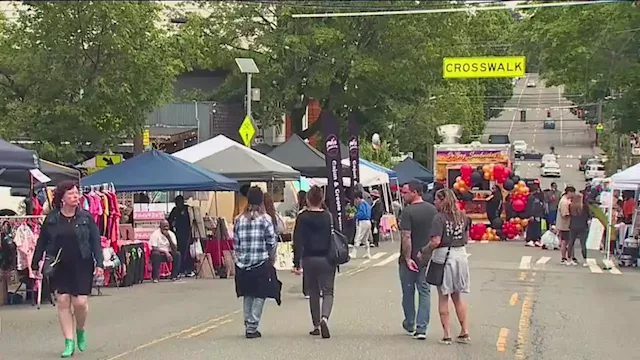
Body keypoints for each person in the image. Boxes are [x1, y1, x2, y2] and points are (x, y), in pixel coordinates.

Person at [32, 181, 104, 358]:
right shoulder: (52, 219)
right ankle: (69, 342)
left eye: (76, 193)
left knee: (80, 303)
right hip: (59, 264)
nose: (76, 196)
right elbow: (42, 242)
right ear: (62, 198)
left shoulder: (86, 217)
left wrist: (100, 264)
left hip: (82, 263)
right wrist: (35, 264)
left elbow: (95, 241)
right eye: (71, 194)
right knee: (63, 301)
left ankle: (80, 329)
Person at [233, 186, 280, 339]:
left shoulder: (238, 219)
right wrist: (271, 257)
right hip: (260, 262)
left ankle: (248, 323)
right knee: (260, 294)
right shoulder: (265, 219)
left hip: (243, 263)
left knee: (248, 293)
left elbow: (236, 243)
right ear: (261, 201)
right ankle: (253, 325)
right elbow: (271, 242)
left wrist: (240, 257)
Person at [427, 188, 471, 345]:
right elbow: (466, 239)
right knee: (457, 296)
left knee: (443, 296)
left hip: (444, 256)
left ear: (442, 200)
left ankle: (446, 334)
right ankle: (464, 331)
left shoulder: (439, 218)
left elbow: (436, 241)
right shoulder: (463, 217)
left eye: (436, 199)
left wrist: (424, 251)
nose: (434, 202)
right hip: (461, 255)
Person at [292, 186, 336, 339]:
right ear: (322, 199)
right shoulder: (328, 216)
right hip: (327, 258)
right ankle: (325, 317)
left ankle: (316, 324)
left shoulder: (302, 217)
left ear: (307, 199)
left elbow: (297, 240)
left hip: (309, 258)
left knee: (314, 292)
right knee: (328, 291)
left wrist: (296, 262)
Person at [398, 180, 437, 340]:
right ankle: (422, 328)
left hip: (410, 257)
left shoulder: (407, 211)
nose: (403, 194)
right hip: (426, 256)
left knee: (408, 292)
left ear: (415, 192)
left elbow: (406, 236)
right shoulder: (433, 210)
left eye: (406, 192)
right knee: (424, 291)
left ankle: (410, 322)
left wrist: (407, 257)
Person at [168, 195, 194, 277]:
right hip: (177, 235)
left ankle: (189, 269)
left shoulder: (187, 209)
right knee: (179, 252)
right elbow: (169, 221)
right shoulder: (174, 210)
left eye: (179, 202)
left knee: (187, 252)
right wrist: (172, 230)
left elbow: (191, 221)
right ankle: (180, 269)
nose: (177, 204)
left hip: (187, 234)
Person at [567, 192, 592, 266]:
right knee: (583, 244)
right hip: (582, 226)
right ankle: (585, 260)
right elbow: (588, 215)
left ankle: (569, 259)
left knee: (571, 242)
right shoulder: (584, 207)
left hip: (573, 225)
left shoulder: (571, 206)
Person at [556, 186, 575, 264]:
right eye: (573, 193)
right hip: (565, 225)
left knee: (567, 241)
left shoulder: (567, 200)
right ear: (569, 192)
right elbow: (565, 214)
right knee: (565, 241)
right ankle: (564, 258)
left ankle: (568, 257)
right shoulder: (564, 202)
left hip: (566, 225)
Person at [353, 190, 372, 259]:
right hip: (368, 221)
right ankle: (368, 253)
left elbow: (362, 213)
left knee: (358, 237)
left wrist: (355, 215)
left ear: (358, 198)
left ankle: (354, 253)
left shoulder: (362, 204)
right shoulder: (367, 204)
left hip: (362, 221)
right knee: (365, 239)